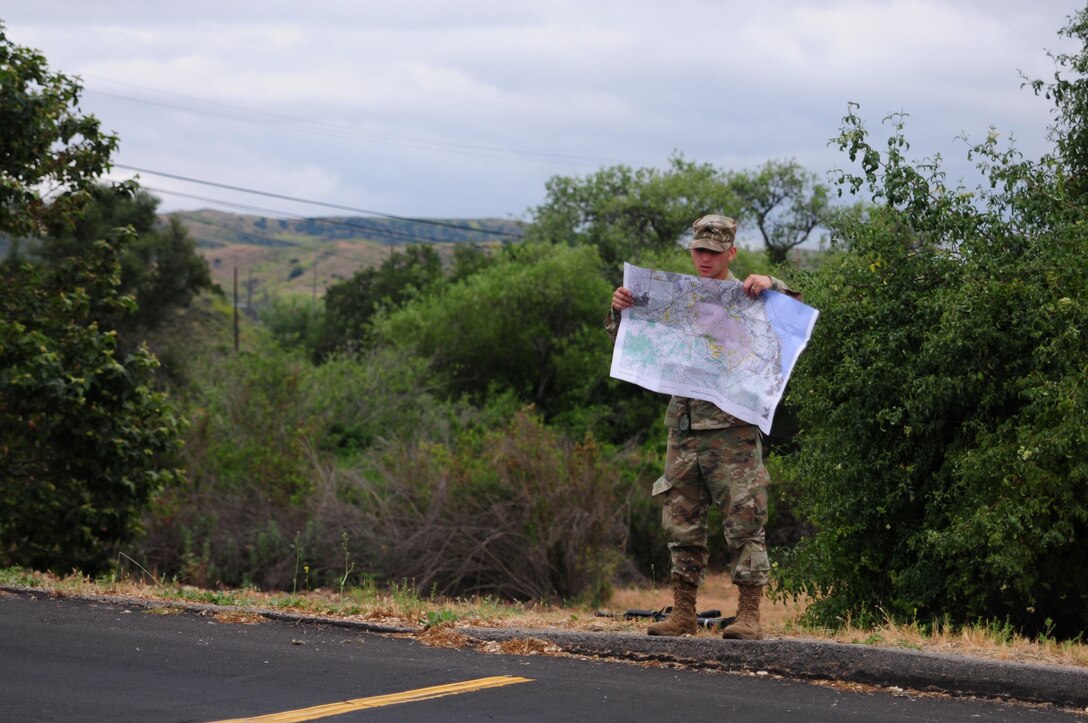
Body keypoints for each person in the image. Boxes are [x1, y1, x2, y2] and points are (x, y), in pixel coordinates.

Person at [605, 214, 798, 640]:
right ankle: (684, 612)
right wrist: (619, 310)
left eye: (713, 251)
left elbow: (792, 318)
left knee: (744, 519)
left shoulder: (748, 295)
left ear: (731, 252)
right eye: (699, 251)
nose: (705, 258)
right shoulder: (676, 296)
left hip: (732, 427)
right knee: (681, 521)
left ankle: (748, 615)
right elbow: (632, 340)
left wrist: (772, 282)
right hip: (684, 425)